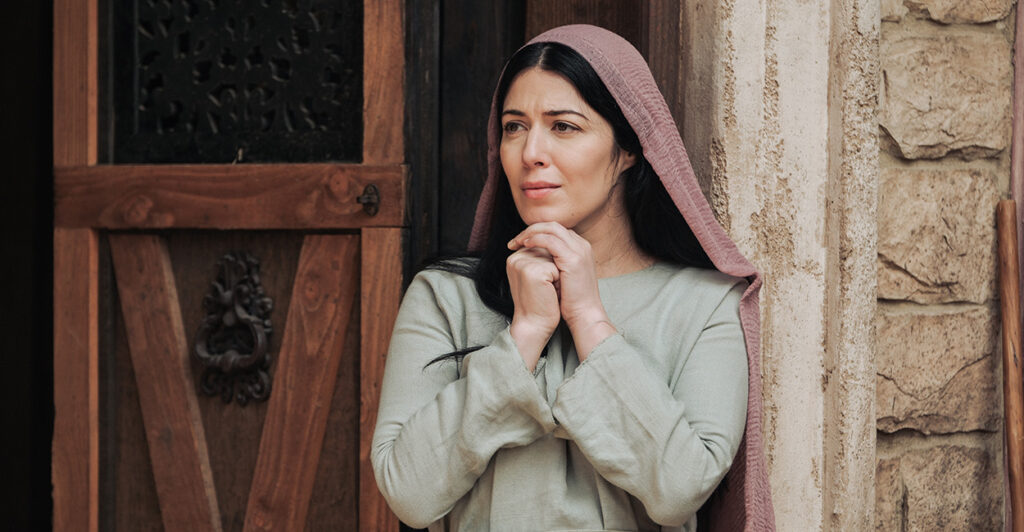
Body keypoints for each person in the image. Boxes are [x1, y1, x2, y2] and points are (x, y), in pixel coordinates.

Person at [372, 24, 775, 532]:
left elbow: (678, 491)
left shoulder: (706, 305)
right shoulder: (444, 297)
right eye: (514, 127)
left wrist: (588, 320)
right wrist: (523, 337)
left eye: (563, 126)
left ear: (628, 148)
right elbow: (408, 492)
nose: (530, 152)